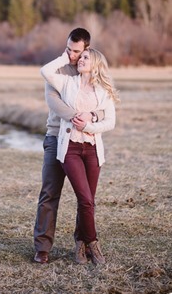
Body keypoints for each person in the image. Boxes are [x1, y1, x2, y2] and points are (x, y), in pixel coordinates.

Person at [40, 47, 119, 265]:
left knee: (88, 201)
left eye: (86, 57)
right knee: (85, 199)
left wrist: (88, 125)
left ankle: (80, 244)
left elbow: (110, 122)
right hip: (71, 149)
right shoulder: (67, 83)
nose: (80, 60)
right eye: (80, 57)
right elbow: (46, 71)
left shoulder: (103, 91)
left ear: (95, 64)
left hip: (93, 149)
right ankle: (93, 242)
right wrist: (65, 56)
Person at [33, 28, 103, 264]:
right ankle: (42, 247)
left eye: (76, 51)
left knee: (84, 196)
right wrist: (78, 116)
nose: (72, 55)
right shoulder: (57, 69)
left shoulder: (91, 69)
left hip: (83, 141)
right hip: (56, 138)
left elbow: (105, 102)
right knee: (50, 193)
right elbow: (53, 102)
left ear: (86, 49)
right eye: (69, 49)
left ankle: (81, 243)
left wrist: (92, 117)